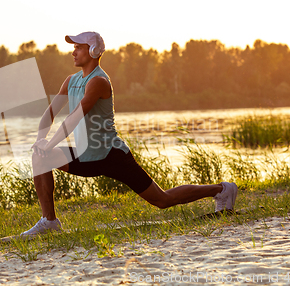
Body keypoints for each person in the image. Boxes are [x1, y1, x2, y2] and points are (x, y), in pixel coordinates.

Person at [22, 32, 237, 236]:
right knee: (40, 158)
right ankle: (49, 222)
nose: (73, 52)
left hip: (111, 154)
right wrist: (41, 141)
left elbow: (74, 118)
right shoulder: (71, 81)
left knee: (161, 200)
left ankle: (222, 190)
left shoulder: (98, 81)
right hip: (86, 154)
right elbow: (50, 113)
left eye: (79, 47)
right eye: (74, 47)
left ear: (94, 50)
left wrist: (49, 145)